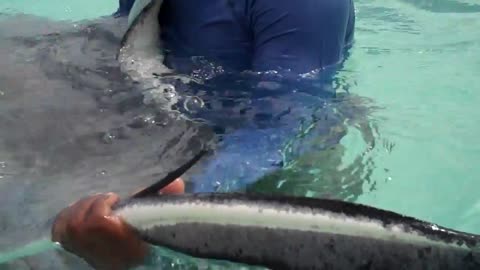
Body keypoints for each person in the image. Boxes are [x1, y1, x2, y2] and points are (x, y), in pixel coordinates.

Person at [52, 0, 356, 269]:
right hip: (177, 132)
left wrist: (169, 206)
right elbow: (117, 42)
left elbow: (287, 121)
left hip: (284, 164)